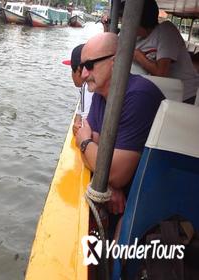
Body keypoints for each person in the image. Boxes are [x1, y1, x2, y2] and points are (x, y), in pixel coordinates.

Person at [74, 32, 165, 215]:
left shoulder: (139, 96)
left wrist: (83, 142)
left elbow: (114, 173)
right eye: (83, 66)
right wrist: (110, 181)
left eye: (89, 66)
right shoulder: (101, 94)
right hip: (129, 189)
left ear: (115, 62)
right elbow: (98, 148)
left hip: (157, 196)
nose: (83, 74)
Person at [130, 0, 199, 103]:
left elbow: (161, 74)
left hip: (185, 97)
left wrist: (139, 57)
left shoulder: (166, 30)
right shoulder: (134, 39)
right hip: (157, 95)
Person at [62, 44, 93, 134]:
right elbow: (80, 112)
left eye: (72, 70)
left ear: (79, 70)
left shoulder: (87, 87)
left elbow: (85, 126)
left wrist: (78, 124)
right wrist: (77, 121)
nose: (71, 74)